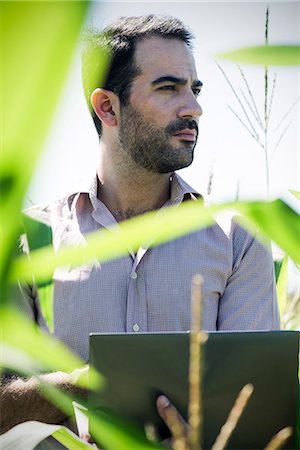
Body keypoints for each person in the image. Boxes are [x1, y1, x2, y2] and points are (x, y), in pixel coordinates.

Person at [1, 14, 280, 440]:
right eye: (169, 88)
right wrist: (83, 383)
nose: (194, 108)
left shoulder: (239, 241)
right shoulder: (26, 242)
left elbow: (260, 411)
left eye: (195, 89)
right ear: (107, 107)